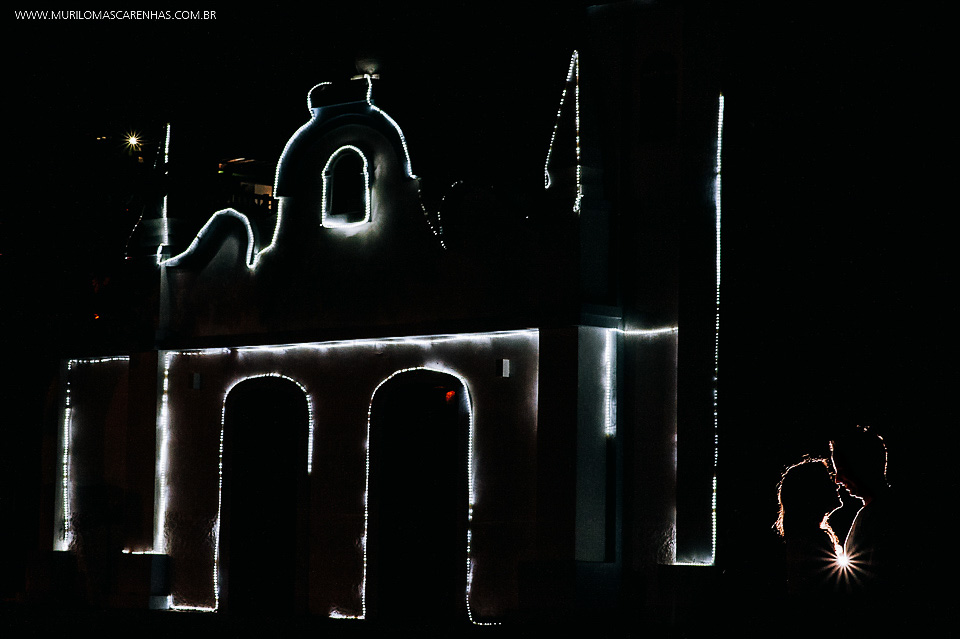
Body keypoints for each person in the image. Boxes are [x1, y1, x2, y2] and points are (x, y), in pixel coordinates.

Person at [829, 425, 911, 621]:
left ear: (860, 465)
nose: (838, 480)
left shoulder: (881, 516)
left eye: (841, 470)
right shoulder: (878, 512)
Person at [774, 457, 844, 603]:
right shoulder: (814, 542)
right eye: (828, 480)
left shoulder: (802, 539)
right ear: (813, 492)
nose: (836, 485)